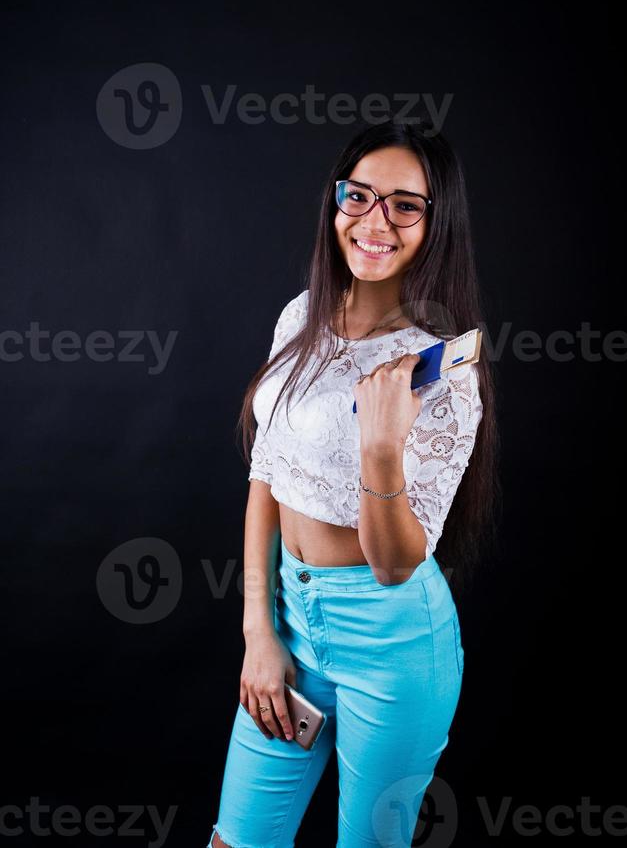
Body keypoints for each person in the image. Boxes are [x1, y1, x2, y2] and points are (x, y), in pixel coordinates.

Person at [206, 119, 499, 847]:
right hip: (291, 625)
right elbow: (266, 474)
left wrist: (380, 447)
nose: (375, 221)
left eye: (404, 205)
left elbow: (397, 564)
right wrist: (258, 634)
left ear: (438, 224)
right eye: (358, 196)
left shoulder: (442, 374)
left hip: (396, 648)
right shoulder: (299, 318)